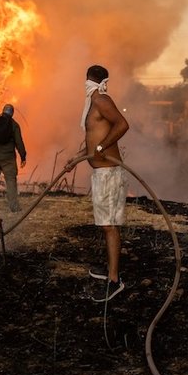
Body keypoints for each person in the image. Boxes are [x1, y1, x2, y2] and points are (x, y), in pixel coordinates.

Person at [66, 64, 129, 302]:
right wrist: (77, 157)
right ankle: (110, 270)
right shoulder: (94, 103)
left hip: (109, 173)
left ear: (88, 80)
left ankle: (115, 281)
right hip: (102, 173)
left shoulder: (101, 100)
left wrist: (101, 148)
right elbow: (94, 138)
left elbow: (123, 124)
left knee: (110, 225)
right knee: (106, 224)